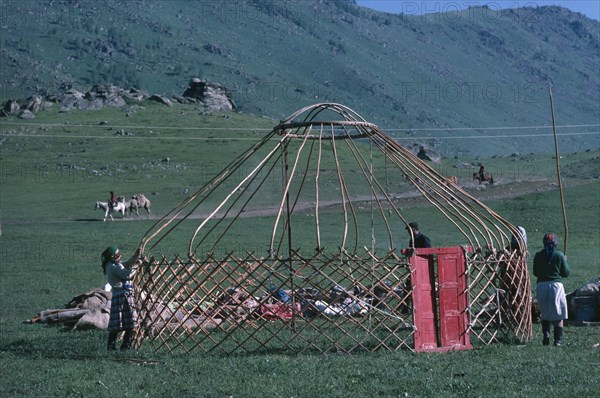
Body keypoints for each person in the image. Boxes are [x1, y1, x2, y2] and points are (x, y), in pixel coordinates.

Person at [101, 245, 142, 351]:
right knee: (129, 322)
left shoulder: (113, 264)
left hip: (121, 295)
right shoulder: (113, 267)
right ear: (112, 257)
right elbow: (127, 275)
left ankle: (116, 346)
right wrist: (137, 266)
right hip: (122, 296)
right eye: (118, 255)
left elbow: (126, 264)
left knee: (120, 323)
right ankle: (122, 346)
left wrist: (135, 256)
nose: (120, 256)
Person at [533, 233, 570, 347]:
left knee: (545, 312)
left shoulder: (538, 255)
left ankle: (546, 335)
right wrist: (565, 260)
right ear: (555, 243)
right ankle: (557, 341)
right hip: (556, 287)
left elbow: (535, 273)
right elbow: (566, 273)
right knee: (558, 314)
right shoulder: (559, 255)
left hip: (542, 286)